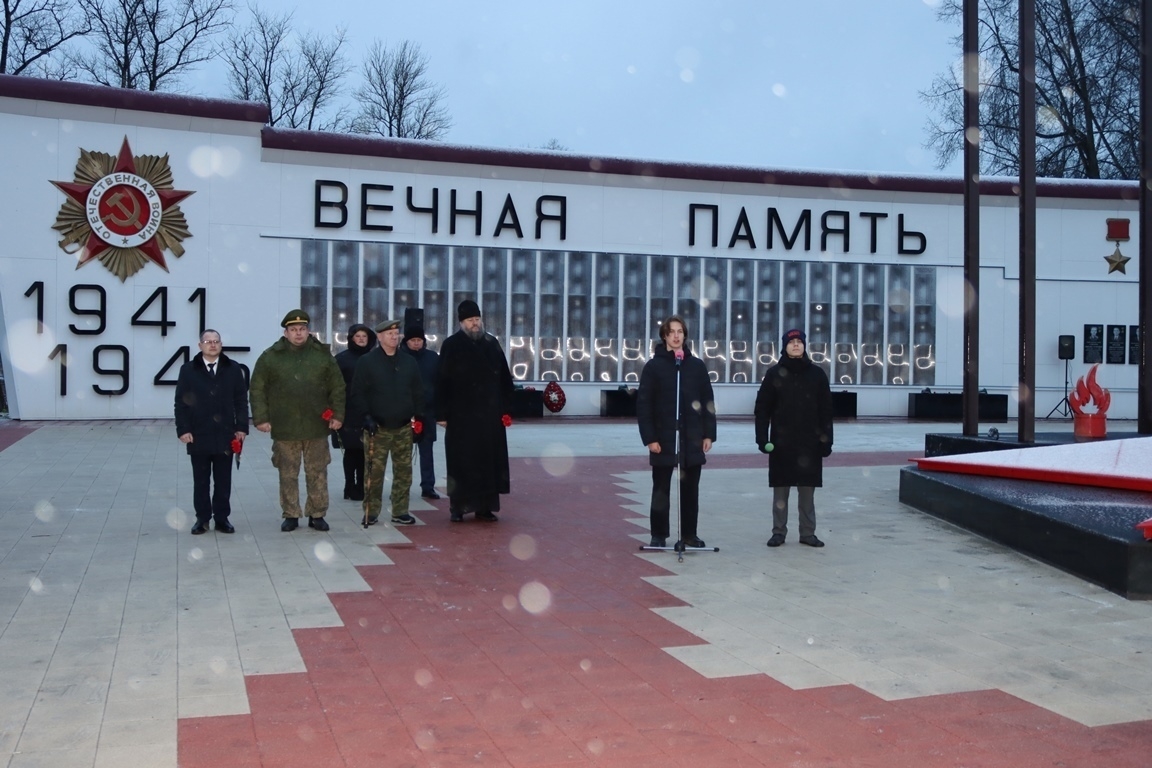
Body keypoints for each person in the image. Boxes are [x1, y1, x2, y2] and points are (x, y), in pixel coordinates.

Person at [250, 309, 345, 532]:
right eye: (293, 330)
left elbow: (338, 387)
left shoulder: (322, 355)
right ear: (286, 332)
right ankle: (291, 513)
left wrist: (338, 415)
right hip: (285, 426)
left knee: (317, 471)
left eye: (302, 329)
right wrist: (261, 418)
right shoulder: (271, 356)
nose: (298, 334)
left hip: (316, 425)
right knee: (288, 473)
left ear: (308, 331)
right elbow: (257, 388)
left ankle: (317, 513)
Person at [636, 315, 717, 549]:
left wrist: (708, 434)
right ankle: (659, 534)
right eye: (671, 331)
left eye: (680, 331)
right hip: (664, 437)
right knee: (661, 488)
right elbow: (644, 405)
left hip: (691, 437)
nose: (676, 335)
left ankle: (690, 534)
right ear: (664, 336)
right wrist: (650, 438)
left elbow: (707, 402)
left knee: (690, 490)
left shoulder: (696, 366)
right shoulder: (654, 367)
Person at [435, 300, 514, 522]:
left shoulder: (492, 343)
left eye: (477, 320)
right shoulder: (451, 345)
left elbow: (505, 379)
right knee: (462, 463)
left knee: (489, 462)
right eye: (470, 320)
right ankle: (458, 507)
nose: (475, 324)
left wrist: (506, 408)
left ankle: (485, 507)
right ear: (461, 322)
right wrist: (441, 414)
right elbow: (442, 380)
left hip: (489, 416)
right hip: (461, 416)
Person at [754, 328, 834, 548]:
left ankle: (808, 533)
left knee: (807, 489)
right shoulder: (774, 374)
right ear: (784, 346)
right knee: (781, 488)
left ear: (805, 345)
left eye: (799, 341)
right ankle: (778, 531)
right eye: (792, 342)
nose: (796, 345)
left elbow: (826, 410)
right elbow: (762, 408)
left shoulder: (817, 375)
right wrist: (762, 438)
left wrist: (827, 440)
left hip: (810, 443)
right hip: (781, 443)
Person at [349, 319, 424, 526]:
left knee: (403, 472)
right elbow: (358, 393)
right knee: (374, 472)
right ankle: (370, 512)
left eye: (396, 333)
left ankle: (400, 511)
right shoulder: (367, 362)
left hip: (402, 427)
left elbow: (418, 392)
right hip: (377, 428)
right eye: (389, 334)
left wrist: (420, 419)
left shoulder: (408, 362)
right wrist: (366, 416)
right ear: (379, 337)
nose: (394, 336)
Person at [174, 329, 249, 535]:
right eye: (208, 341)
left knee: (223, 480)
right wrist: (183, 429)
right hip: (198, 434)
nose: (212, 345)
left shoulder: (233, 369)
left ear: (221, 344)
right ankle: (202, 519)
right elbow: (181, 403)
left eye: (216, 341)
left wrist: (241, 427)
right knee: (201, 480)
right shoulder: (188, 370)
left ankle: (222, 518)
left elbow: (241, 401)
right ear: (200, 346)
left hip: (226, 434)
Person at [335, 323, 376, 500]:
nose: (361, 339)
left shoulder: (374, 357)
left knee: (365, 451)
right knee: (351, 450)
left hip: (368, 410)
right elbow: (335, 386)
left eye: (364, 336)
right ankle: (349, 485)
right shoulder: (342, 359)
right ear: (351, 338)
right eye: (357, 336)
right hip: (348, 412)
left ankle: (361, 485)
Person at [402, 322, 441, 499]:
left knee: (427, 452)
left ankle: (428, 485)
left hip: (428, 411)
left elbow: (441, 381)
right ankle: (402, 485)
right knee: (403, 453)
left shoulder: (433, 358)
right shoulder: (400, 357)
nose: (416, 343)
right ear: (407, 341)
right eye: (413, 340)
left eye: (419, 340)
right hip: (405, 412)